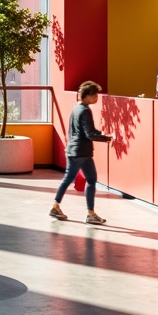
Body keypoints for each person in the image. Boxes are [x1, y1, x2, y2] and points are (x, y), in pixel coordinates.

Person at [49, 81, 112, 224]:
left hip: (77, 150)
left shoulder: (77, 108)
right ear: (88, 96)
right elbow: (89, 133)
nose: (97, 98)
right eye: (95, 95)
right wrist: (105, 138)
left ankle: (90, 213)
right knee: (72, 179)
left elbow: (87, 130)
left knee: (89, 179)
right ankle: (56, 206)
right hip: (80, 152)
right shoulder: (84, 110)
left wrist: (102, 134)